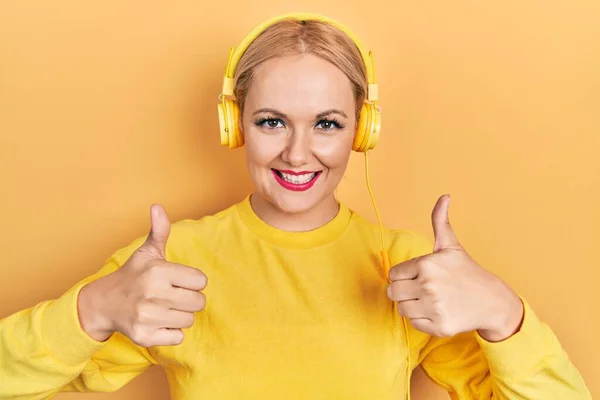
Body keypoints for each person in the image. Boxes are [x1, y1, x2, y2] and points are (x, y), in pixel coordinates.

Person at [0, 13, 591, 400]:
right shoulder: (170, 263)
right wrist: (93, 308)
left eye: (327, 123)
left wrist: (503, 313)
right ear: (235, 124)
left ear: (362, 130)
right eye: (272, 121)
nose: (297, 152)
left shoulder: (415, 272)